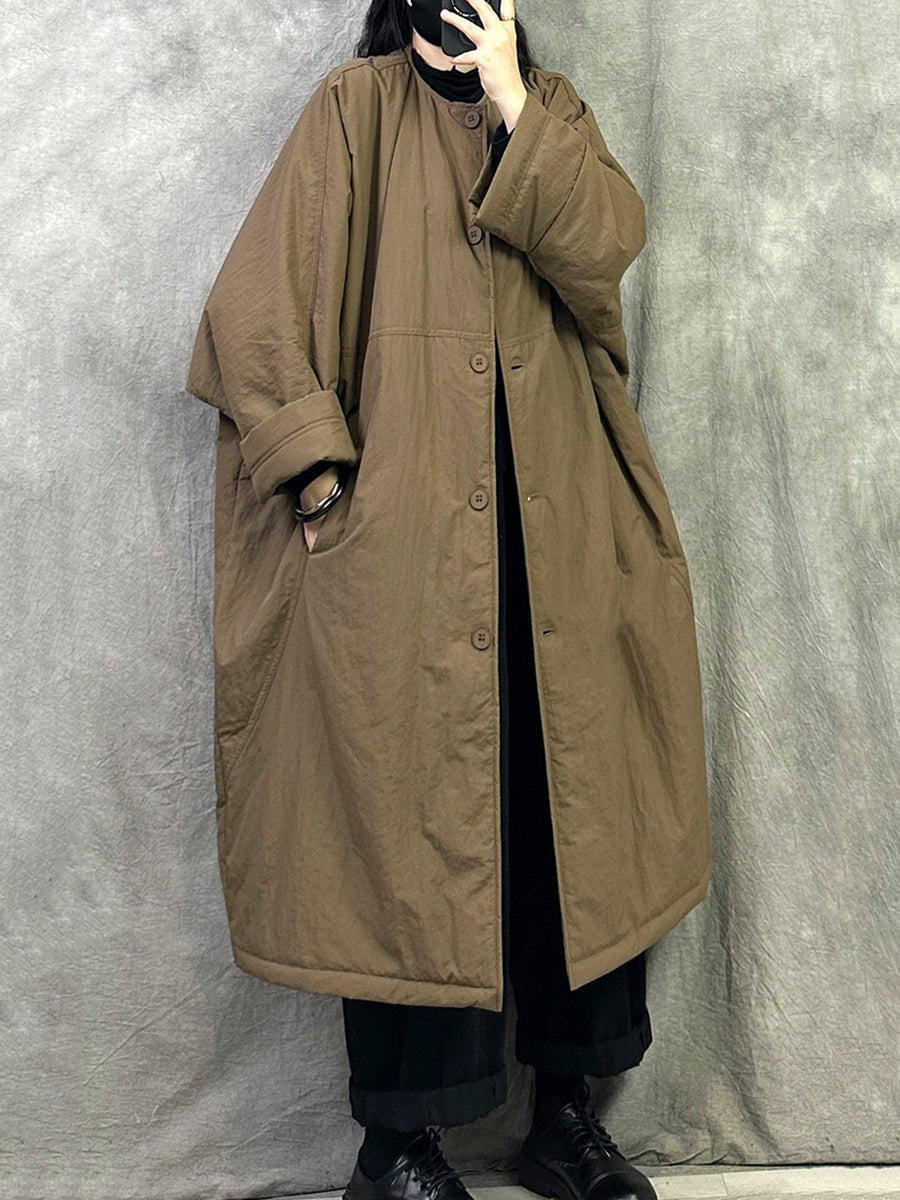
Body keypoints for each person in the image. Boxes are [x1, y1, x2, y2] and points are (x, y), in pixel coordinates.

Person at [185, 2, 713, 1199]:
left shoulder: (553, 111)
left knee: (575, 814)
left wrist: (518, 103)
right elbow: (250, 319)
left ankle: (565, 1118)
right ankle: (400, 1152)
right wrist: (321, 481)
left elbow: (605, 248)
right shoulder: (354, 112)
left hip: (563, 540)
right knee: (409, 833)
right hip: (407, 559)